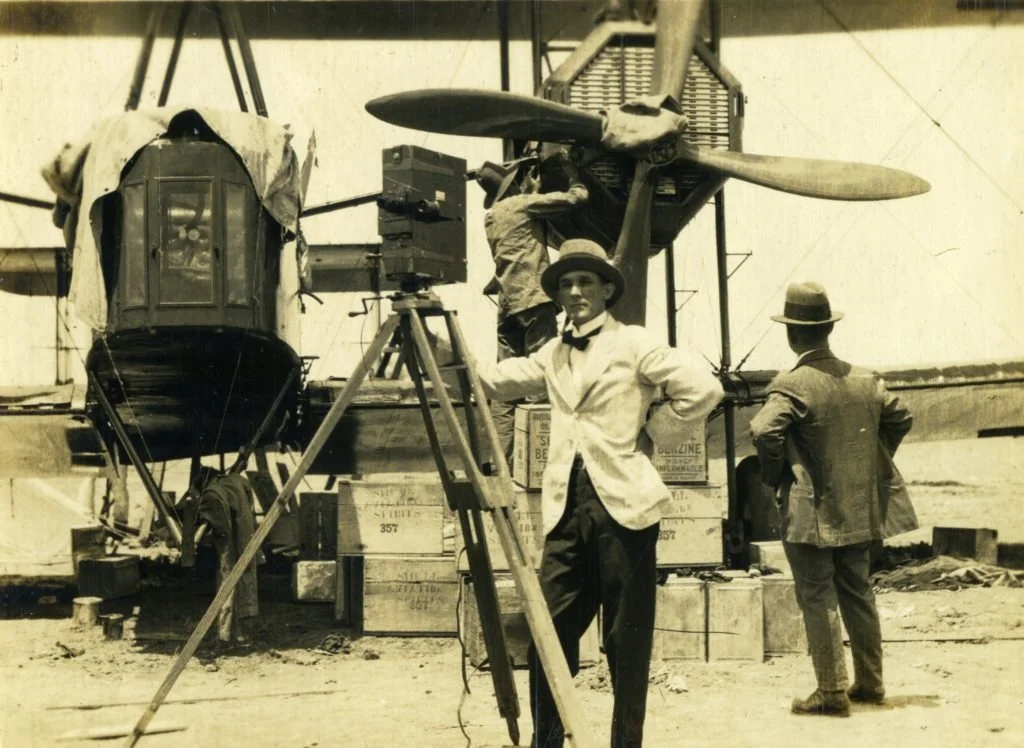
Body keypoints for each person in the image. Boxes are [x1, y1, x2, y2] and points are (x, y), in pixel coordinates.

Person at [476, 239, 723, 747]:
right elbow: (500, 381)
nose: (575, 292)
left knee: (625, 642)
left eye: (585, 281)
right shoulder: (553, 351)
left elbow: (703, 388)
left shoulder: (633, 343)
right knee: (548, 633)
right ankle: (547, 742)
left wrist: (654, 431)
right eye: (566, 284)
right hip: (566, 508)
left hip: (624, 508)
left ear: (607, 289)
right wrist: (451, 356)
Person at [749, 281, 917, 717]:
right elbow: (901, 416)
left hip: (810, 514)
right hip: (858, 507)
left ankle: (831, 692)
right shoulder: (865, 380)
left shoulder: (791, 384)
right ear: (828, 329)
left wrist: (777, 477)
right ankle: (871, 684)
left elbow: (763, 430)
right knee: (859, 592)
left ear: (791, 334)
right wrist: (867, 464)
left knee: (817, 596)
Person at [477, 152, 589, 466]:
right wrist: (572, 172)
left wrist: (533, 192)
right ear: (513, 187)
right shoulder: (524, 204)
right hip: (534, 300)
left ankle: (500, 463)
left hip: (507, 307)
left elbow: (520, 233)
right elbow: (577, 198)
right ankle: (539, 466)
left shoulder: (492, 216)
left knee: (505, 387)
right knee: (542, 377)